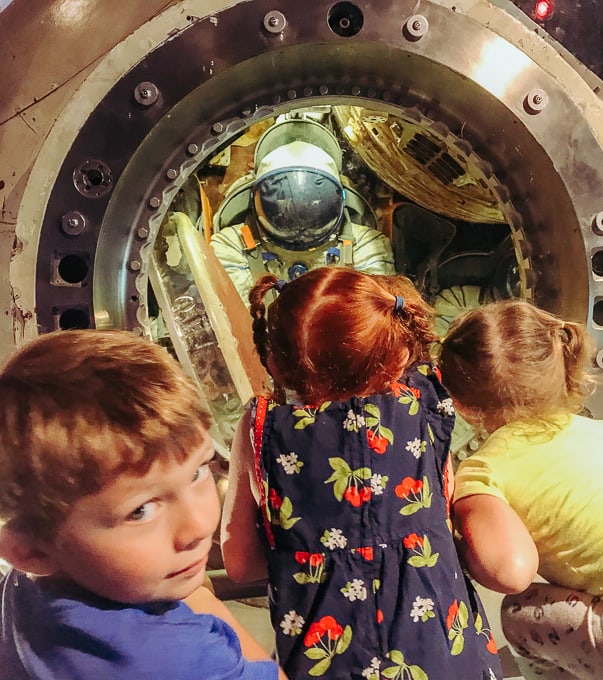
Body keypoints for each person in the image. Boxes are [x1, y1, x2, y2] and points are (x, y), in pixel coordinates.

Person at [221, 267, 502, 680]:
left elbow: (241, 564)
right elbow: (443, 497)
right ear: (395, 354)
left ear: (276, 362)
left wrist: (306, 554)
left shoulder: (263, 427)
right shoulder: (425, 404)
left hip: (328, 660)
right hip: (442, 650)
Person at [0, 330, 284, 680]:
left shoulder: (25, 590)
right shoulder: (177, 660)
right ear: (30, 551)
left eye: (198, 471)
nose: (197, 528)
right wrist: (203, 602)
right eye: (141, 511)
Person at [438, 298, 603, 679]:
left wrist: (457, 524)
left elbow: (511, 573)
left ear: (460, 406)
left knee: (519, 612)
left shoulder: (484, 470)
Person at [210, 115, 395, 306]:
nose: (299, 222)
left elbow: (372, 314)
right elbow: (234, 314)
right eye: (284, 202)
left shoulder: (365, 245)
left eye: (313, 202)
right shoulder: (232, 244)